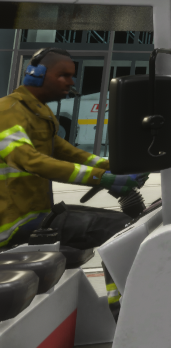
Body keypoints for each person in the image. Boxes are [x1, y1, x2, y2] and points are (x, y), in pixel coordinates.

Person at [1, 49, 146, 252]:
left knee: (126, 223)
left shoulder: (38, 113)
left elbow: (68, 153)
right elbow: (31, 161)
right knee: (121, 229)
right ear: (36, 75)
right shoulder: (7, 111)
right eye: (63, 75)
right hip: (12, 224)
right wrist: (101, 178)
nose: (71, 82)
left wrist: (116, 167)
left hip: (36, 213)